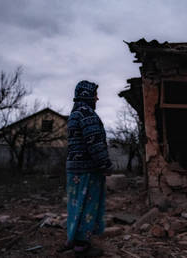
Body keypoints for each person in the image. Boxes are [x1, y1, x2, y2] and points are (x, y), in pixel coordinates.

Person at [62, 80, 112, 257]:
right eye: (95, 94)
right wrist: (105, 165)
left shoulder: (75, 113)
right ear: (87, 95)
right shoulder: (87, 113)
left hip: (74, 168)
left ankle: (73, 238)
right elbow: (95, 143)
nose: (97, 98)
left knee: (76, 204)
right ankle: (82, 245)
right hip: (88, 170)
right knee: (88, 205)